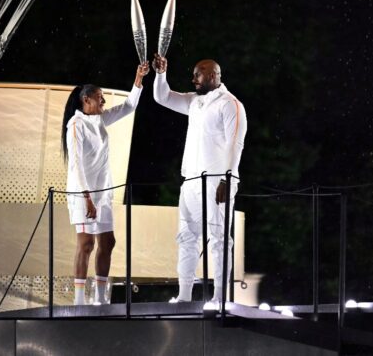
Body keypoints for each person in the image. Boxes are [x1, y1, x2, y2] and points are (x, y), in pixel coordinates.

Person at [152, 53, 247, 306]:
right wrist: (161, 74)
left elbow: (235, 144)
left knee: (218, 239)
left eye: (198, 74)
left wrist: (227, 179)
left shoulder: (230, 104)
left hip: (218, 181)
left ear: (214, 75)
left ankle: (219, 298)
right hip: (191, 180)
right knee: (187, 237)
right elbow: (162, 97)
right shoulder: (195, 102)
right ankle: (184, 296)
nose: (193, 78)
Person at [62, 62, 149, 305]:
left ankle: (100, 298)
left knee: (108, 242)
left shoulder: (99, 120)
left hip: (103, 192)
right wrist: (87, 196)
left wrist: (138, 78)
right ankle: (79, 301)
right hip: (83, 194)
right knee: (86, 243)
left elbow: (129, 106)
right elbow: (76, 164)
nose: (104, 102)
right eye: (100, 98)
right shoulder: (75, 126)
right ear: (86, 100)